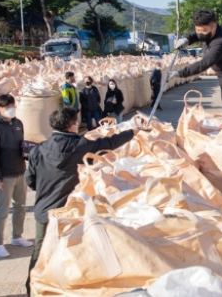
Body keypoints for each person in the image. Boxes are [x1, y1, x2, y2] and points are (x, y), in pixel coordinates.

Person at [24, 107, 137, 295]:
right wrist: (132, 132)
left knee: (41, 251)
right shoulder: (81, 146)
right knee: (73, 251)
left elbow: (30, 180)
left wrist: (45, 190)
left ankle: (32, 288)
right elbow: (109, 143)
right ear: (71, 125)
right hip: (72, 212)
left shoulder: (39, 150)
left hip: (44, 211)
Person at [0, 94, 32, 258]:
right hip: (5, 175)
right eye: (8, 107)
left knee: (20, 207)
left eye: (13, 106)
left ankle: (17, 236)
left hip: (20, 170)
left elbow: (21, 145)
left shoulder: (18, 123)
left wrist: (28, 154)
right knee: (2, 210)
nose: (12, 109)